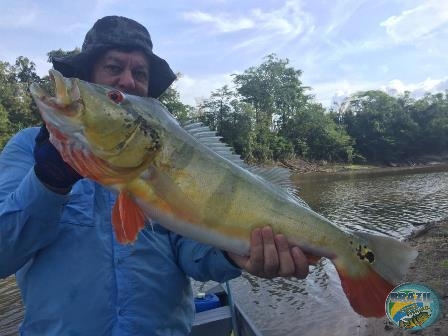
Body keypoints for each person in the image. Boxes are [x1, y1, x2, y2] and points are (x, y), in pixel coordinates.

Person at [0, 16, 309, 335]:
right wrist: (48, 180)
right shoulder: (27, 149)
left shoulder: (170, 158)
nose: (128, 81)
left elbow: (193, 253)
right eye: (114, 67)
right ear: (87, 75)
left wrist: (235, 254)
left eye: (140, 73)